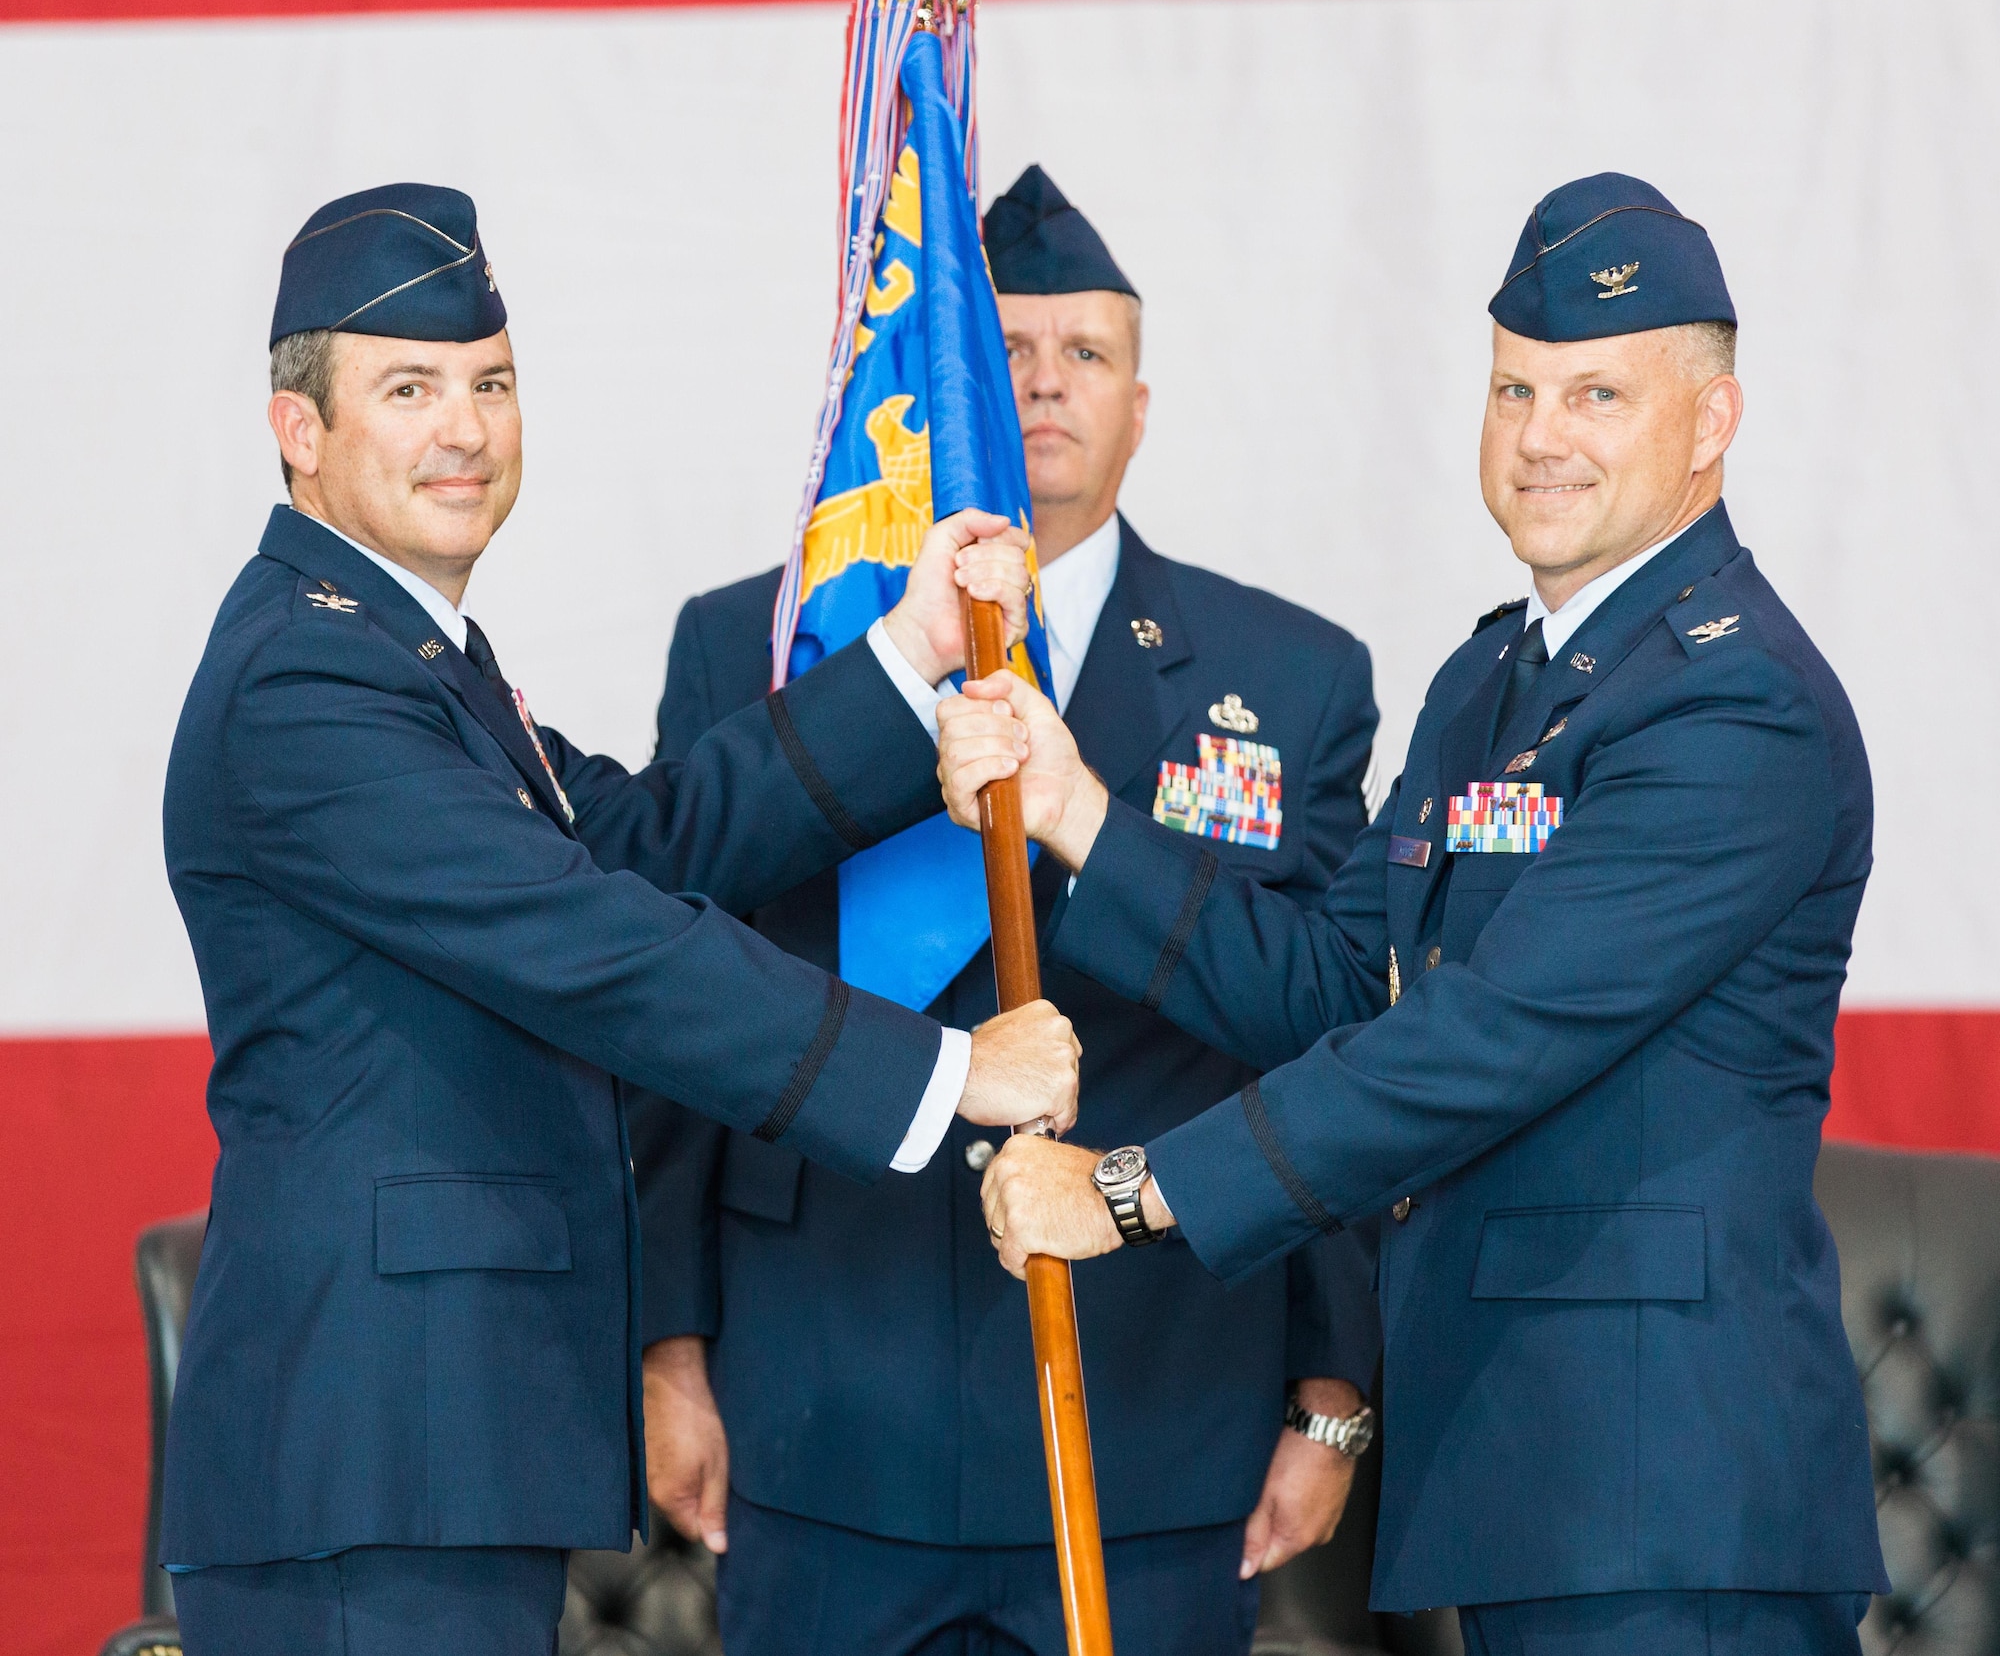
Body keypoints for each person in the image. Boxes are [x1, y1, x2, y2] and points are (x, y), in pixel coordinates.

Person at [945, 172, 1887, 1655]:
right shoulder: (1495, 681)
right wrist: (1077, 815)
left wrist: (1131, 1191)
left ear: (1711, 425)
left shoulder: (1734, 702)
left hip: (1672, 1500)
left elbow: (1480, 1040)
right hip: (1536, 1482)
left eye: (1597, 395)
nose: (1542, 437)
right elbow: (1339, 983)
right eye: (1516, 389)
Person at [158, 183, 1081, 1656]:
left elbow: (653, 839)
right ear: (300, 430)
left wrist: (906, 655)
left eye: (491, 382)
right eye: (408, 389)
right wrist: (948, 1073)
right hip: (372, 1464)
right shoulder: (304, 683)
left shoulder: (421, 662)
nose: (463, 427)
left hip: (441, 1449)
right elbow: (590, 937)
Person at [632, 165, 1383, 1656]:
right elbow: (671, 1002)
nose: (1042, 389)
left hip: (1151, 1414)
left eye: (1084, 355)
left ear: (1142, 401)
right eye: (1007, 355)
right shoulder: (763, 646)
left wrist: (1334, 1386)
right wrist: (666, 1342)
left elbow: (1328, 1034)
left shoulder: (1292, 679)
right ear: (943, 383)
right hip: (823, 1402)